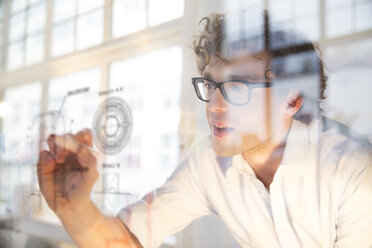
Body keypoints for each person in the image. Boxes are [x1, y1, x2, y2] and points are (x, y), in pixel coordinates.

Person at [37, 10, 372, 248]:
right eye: (210, 85)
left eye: (238, 87)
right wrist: (73, 205)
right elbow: (128, 240)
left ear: (293, 98)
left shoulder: (354, 171)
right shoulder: (207, 166)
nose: (214, 106)